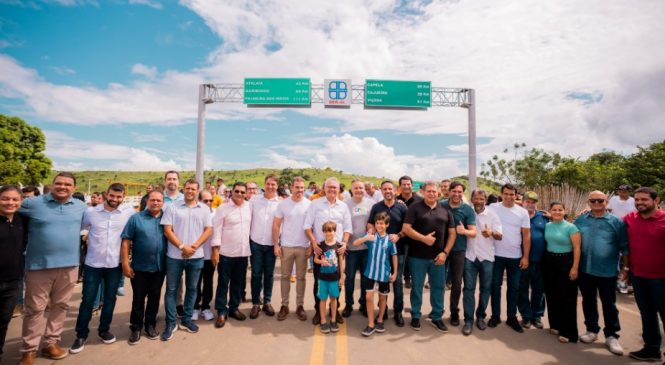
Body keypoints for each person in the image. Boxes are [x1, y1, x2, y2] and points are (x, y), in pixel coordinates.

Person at [18, 172, 87, 365]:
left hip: (69, 266)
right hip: (39, 266)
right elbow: (9, 210)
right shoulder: (33, 204)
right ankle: (29, 350)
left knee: (61, 306)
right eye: (59, 183)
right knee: (34, 309)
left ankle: (51, 343)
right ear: (52, 184)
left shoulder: (81, 206)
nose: (63, 187)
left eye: (67, 184)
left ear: (74, 187)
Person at [69, 183, 135, 354]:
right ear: (106, 194)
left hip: (114, 265)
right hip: (93, 264)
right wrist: (85, 237)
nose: (115, 199)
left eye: (119, 197)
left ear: (124, 197)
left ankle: (104, 330)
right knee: (87, 300)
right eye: (112, 196)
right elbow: (82, 228)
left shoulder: (128, 213)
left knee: (110, 299)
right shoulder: (91, 212)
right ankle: (81, 334)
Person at [574, 190, 627, 355]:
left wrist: (626, 268)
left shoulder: (616, 222)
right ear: (588, 202)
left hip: (607, 271)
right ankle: (592, 330)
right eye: (593, 201)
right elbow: (572, 238)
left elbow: (624, 247)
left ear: (607, 202)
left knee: (609, 304)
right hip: (585, 269)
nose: (596, 203)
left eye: (600, 200)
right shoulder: (581, 219)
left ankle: (611, 335)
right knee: (588, 301)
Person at [160, 179, 213, 340]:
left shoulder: (204, 209)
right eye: (188, 188)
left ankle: (186, 319)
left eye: (193, 189)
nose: (190, 191)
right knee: (171, 290)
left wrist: (194, 246)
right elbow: (167, 230)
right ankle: (170, 322)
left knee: (192, 289)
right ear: (184, 189)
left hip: (196, 256)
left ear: (198, 191)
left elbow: (208, 230)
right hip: (175, 256)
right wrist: (183, 247)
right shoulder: (172, 207)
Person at [403, 181, 456, 332]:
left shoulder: (445, 210)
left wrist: (445, 253)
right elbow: (406, 228)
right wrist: (423, 238)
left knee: (438, 288)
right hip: (417, 257)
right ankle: (415, 315)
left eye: (434, 191)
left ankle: (437, 317)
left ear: (438, 193)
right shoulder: (414, 208)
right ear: (423, 192)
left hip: (438, 258)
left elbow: (452, 233)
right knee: (417, 288)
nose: (432, 193)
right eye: (429, 191)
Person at [623, 187, 665, 362]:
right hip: (638, 276)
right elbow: (612, 221)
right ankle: (652, 349)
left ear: (656, 200)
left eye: (644, 199)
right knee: (647, 314)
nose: (639, 202)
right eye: (637, 199)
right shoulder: (631, 219)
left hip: (661, 278)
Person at [120, 190, 167, 345]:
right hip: (140, 267)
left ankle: (150, 325)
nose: (155, 203)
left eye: (158, 201)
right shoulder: (136, 218)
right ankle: (136, 327)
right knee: (138, 299)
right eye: (152, 200)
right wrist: (125, 263)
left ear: (163, 202)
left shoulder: (167, 219)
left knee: (154, 298)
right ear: (147, 201)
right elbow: (126, 241)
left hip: (159, 268)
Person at [304, 177, 351, 326]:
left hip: (337, 251)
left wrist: (344, 243)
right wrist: (313, 242)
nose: (332, 190)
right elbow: (307, 226)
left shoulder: (343, 206)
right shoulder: (315, 204)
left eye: (335, 188)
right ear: (324, 188)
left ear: (339, 190)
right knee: (319, 282)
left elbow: (348, 228)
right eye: (329, 187)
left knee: (337, 282)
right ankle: (319, 311)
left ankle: (334, 311)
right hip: (321, 250)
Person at [488, 183, 531, 333]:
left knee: (514, 288)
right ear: (501, 194)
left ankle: (511, 317)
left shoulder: (522, 212)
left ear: (516, 195)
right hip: (496, 254)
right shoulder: (493, 208)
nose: (509, 197)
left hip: (515, 256)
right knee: (495, 286)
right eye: (506, 194)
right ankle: (495, 315)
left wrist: (525, 256)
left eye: (512, 194)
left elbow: (526, 235)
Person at [368, 180, 408, 327]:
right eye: (384, 189)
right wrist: (371, 231)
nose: (387, 191)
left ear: (395, 190)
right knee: (380, 281)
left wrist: (399, 235)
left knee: (397, 281)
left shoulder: (402, 208)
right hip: (380, 251)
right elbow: (370, 223)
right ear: (381, 191)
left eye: (390, 189)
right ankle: (382, 311)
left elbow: (408, 227)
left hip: (398, 250)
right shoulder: (376, 207)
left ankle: (398, 312)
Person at [212, 182, 252, 328]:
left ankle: (234, 308)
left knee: (238, 283)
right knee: (223, 283)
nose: (240, 194)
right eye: (237, 191)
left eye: (243, 192)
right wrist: (215, 251)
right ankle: (222, 311)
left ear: (246, 193)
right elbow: (216, 230)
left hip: (243, 253)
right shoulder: (223, 208)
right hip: (226, 253)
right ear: (231, 192)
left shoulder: (249, 207)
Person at [462, 189, 502, 336]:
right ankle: (468, 320)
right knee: (468, 290)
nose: (478, 202)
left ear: (485, 200)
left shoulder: (492, 215)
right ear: (471, 199)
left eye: (481, 199)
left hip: (487, 258)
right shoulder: (467, 212)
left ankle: (480, 317)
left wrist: (491, 233)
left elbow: (500, 236)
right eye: (476, 199)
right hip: (470, 257)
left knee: (485, 289)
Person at [273, 177, 311, 321]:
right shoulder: (283, 204)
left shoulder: (309, 204)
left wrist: (311, 246)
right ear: (292, 187)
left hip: (303, 247)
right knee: (285, 277)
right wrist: (276, 245)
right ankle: (284, 305)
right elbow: (276, 225)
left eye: (302, 187)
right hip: (287, 246)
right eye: (297, 187)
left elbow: (312, 226)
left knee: (301, 278)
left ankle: (300, 306)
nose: (299, 190)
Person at [543, 201, 581, 343]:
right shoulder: (547, 226)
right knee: (552, 294)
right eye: (554, 210)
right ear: (550, 212)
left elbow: (577, 248)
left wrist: (575, 267)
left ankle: (568, 332)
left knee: (567, 298)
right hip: (549, 261)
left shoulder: (571, 227)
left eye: (560, 210)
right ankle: (555, 325)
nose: (557, 212)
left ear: (565, 211)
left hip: (566, 262)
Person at [354, 212, 397, 336]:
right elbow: (355, 243)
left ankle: (380, 320)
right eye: (377, 223)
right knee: (368, 297)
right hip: (371, 273)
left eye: (382, 223)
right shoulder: (371, 237)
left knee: (383, 297)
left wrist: (395, 272)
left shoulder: (390, 239)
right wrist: (365, 238)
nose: (379, 225)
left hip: (384, 274)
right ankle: (371, 324)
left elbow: (393, 256)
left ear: (387, 225)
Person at [441, 181, 477, 327]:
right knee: (438, 282)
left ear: (463, 193)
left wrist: (464, 231)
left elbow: (474, 232)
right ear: (449, 192)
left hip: (459, 251)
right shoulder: (441, 205)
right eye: (454, 191)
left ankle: (454, 311)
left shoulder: (467, 210)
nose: (456, 194)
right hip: (441, 249)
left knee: (456, 283)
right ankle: (437, 310)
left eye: (459, 192)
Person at [249, 174, 281, 319]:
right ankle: (256, 303)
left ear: (277, 186)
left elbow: (283, 225)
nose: (270, 186)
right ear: (264, 184)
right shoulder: (254, 200)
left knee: (269, 274)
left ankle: (267, 301)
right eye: (268, 184)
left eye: (273, 184)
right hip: (255, 242)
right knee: (256, 274)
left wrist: (279, 244)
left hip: (271, 244)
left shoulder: (281, 203)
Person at [341, 179, 373, 319]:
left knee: (365, 279)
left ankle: (363, 304)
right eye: (356, 188)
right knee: (350, 278)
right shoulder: (345, 204)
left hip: (366, 248)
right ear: (351, 189)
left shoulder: (371, 204)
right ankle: (348, 304)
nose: (359, 190)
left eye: (361, 188)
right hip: (350, 248)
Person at [0, 185, 25, 363]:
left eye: (15, 199)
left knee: (2, 324)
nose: (10, 202)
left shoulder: (21, 220)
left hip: (11, 282)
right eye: (5, 198)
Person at [518, 191, 549, 329]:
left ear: (537, 203)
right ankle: (526, 316)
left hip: (540, 260)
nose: (530, 204)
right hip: (522, 259)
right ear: (523, 202)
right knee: (522, 289)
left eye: (533, 202)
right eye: (527, 201)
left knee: (539, 289)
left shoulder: (544, 217)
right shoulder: (518, 216)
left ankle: (537, 315)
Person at [313, 221, 345, 334]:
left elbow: (341, 262)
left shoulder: (338, 246)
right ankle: (323, 321)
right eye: (326, 231)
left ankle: (333, 320)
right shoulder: (321, 245)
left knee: (333, 299)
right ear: (323, 232)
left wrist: (342, 277)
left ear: (335, 232)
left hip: (334, 278)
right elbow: (315, 259)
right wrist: (321, 261)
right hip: (322, 278)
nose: (328, 233)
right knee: (322, 299)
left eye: (331, 231)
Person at [193, 190, 216, 322]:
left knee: (208, 282)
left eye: (210, 200)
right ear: (199, 201)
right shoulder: (195, 213)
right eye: (205, 200)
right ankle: (195, 307)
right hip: (196, 254)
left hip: (210, 255)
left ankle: (206, 307)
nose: (208, 203)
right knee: (195, 283)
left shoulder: (215, 214)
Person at [396, 176, 421, 290]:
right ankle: (403, 278)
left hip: (416, 235)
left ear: (412, 185)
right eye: (404, 184)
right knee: (402, 260)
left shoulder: (420, 200)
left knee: (414, 260)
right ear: (400, 186)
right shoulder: (396, 199)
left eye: (408, 184)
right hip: (400, 235)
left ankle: (411, 278)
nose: (406, 186)